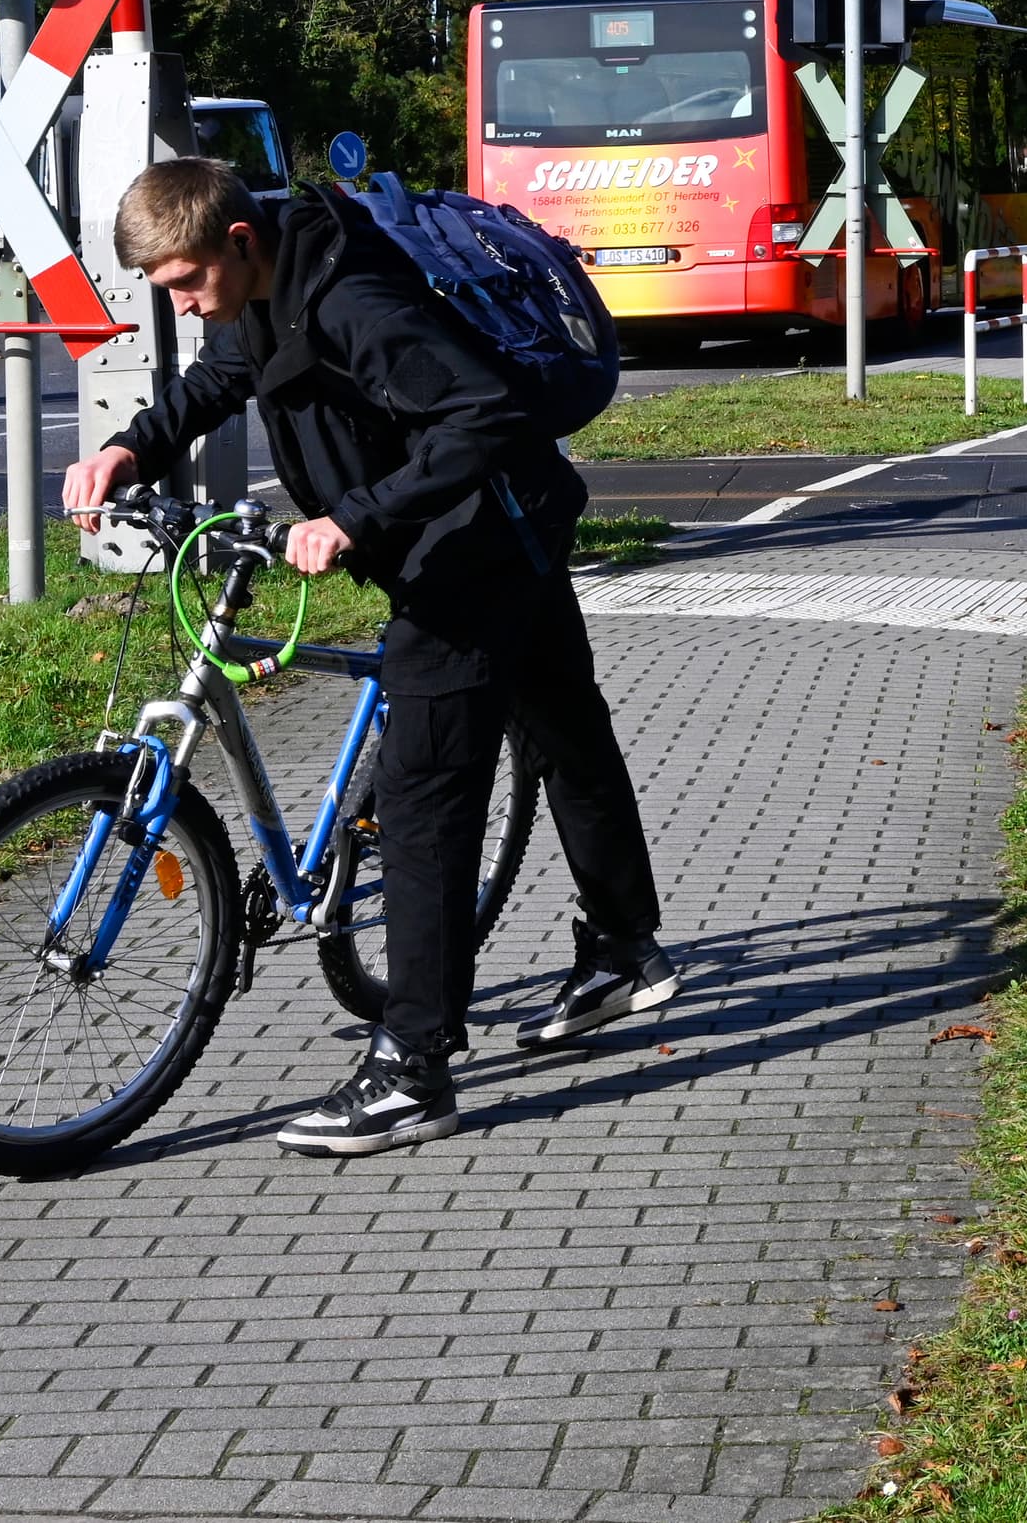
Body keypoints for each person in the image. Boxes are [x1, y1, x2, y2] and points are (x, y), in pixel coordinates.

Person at [60, 156, 678, 1156]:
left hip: (470, 552)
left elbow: (485, 413)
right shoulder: (272, 285)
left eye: (184, 283)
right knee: (566, 727)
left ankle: (413, 1068)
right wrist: (133, 445)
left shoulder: (351, 297)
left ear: (239, 240)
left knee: (426, 797)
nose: (180, 304)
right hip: (508, 528)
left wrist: (352, 517)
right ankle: (623, 948)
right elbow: (232, 369)